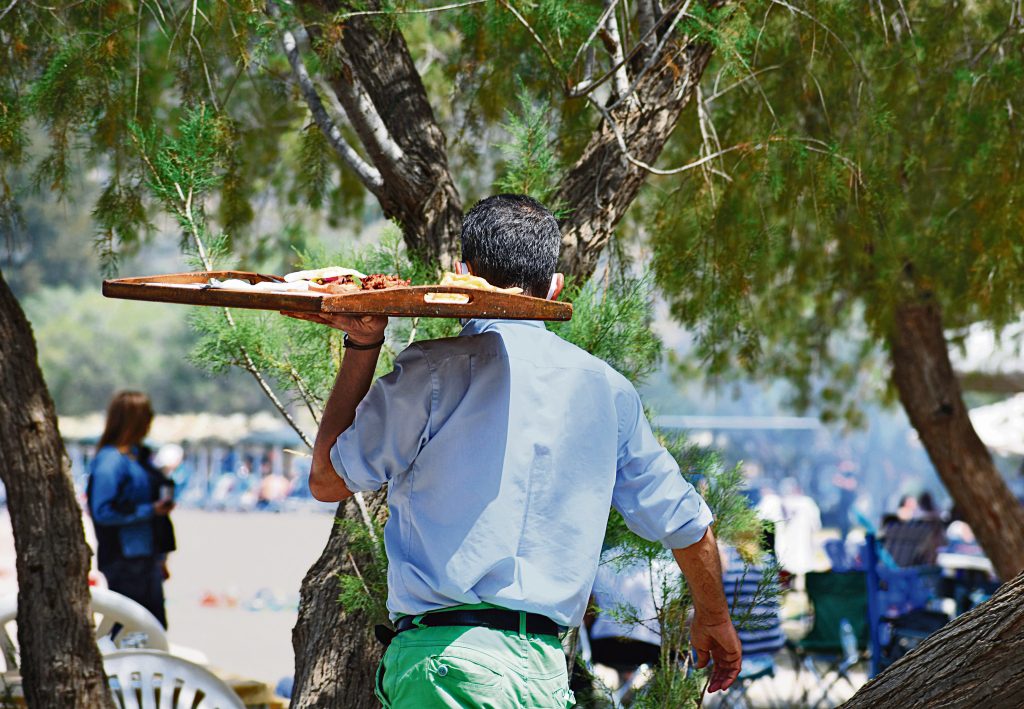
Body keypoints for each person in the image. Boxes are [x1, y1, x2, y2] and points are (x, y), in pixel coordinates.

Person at [287, 194, 741, 707]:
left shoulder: (433, 371)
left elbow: (327, 480)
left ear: (463, 273)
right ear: (555, 288)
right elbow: (689, 525)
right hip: (541, 676)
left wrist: (362, 347)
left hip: (443, 668)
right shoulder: (609, 390)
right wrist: (715, 618)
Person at [87, 391, 175, 627]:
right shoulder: (110, 461)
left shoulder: (138, 457)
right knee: (130, 629)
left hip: (145, 557)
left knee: (153, 627)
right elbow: (102, 511)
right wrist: (149, 510)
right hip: (124, 560)